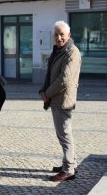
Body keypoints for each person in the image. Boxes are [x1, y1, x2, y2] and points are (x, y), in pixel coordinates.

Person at [39, 21, 82, 182]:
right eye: (56, 35)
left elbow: (65, 79)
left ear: (69, 35)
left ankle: (69, 169)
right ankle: (72, 162)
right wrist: (43, 90)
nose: (59, 37)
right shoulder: (59, 50)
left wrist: (47, 94)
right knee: (65, 133)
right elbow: (50, 72)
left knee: (64, 134)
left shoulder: (72, 52)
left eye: (62, 34)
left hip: (63, 100)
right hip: (56, 98)